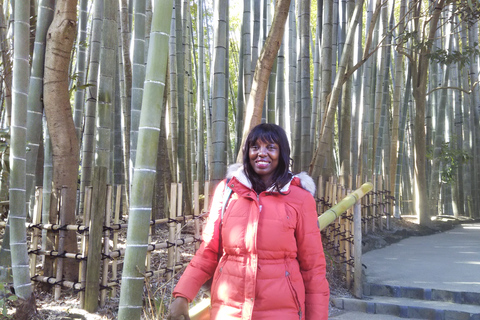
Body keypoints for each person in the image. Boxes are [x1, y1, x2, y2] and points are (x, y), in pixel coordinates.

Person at [168, 123, 330, 320]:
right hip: (229, 310)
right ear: (247, 152)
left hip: (282, 311)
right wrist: (182, 295)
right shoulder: (227, 191)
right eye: (255, 147)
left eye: (270, 147)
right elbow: (208, 250)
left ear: (282, 154)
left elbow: (313, 267)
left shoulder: (300, 198)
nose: (261, 153)